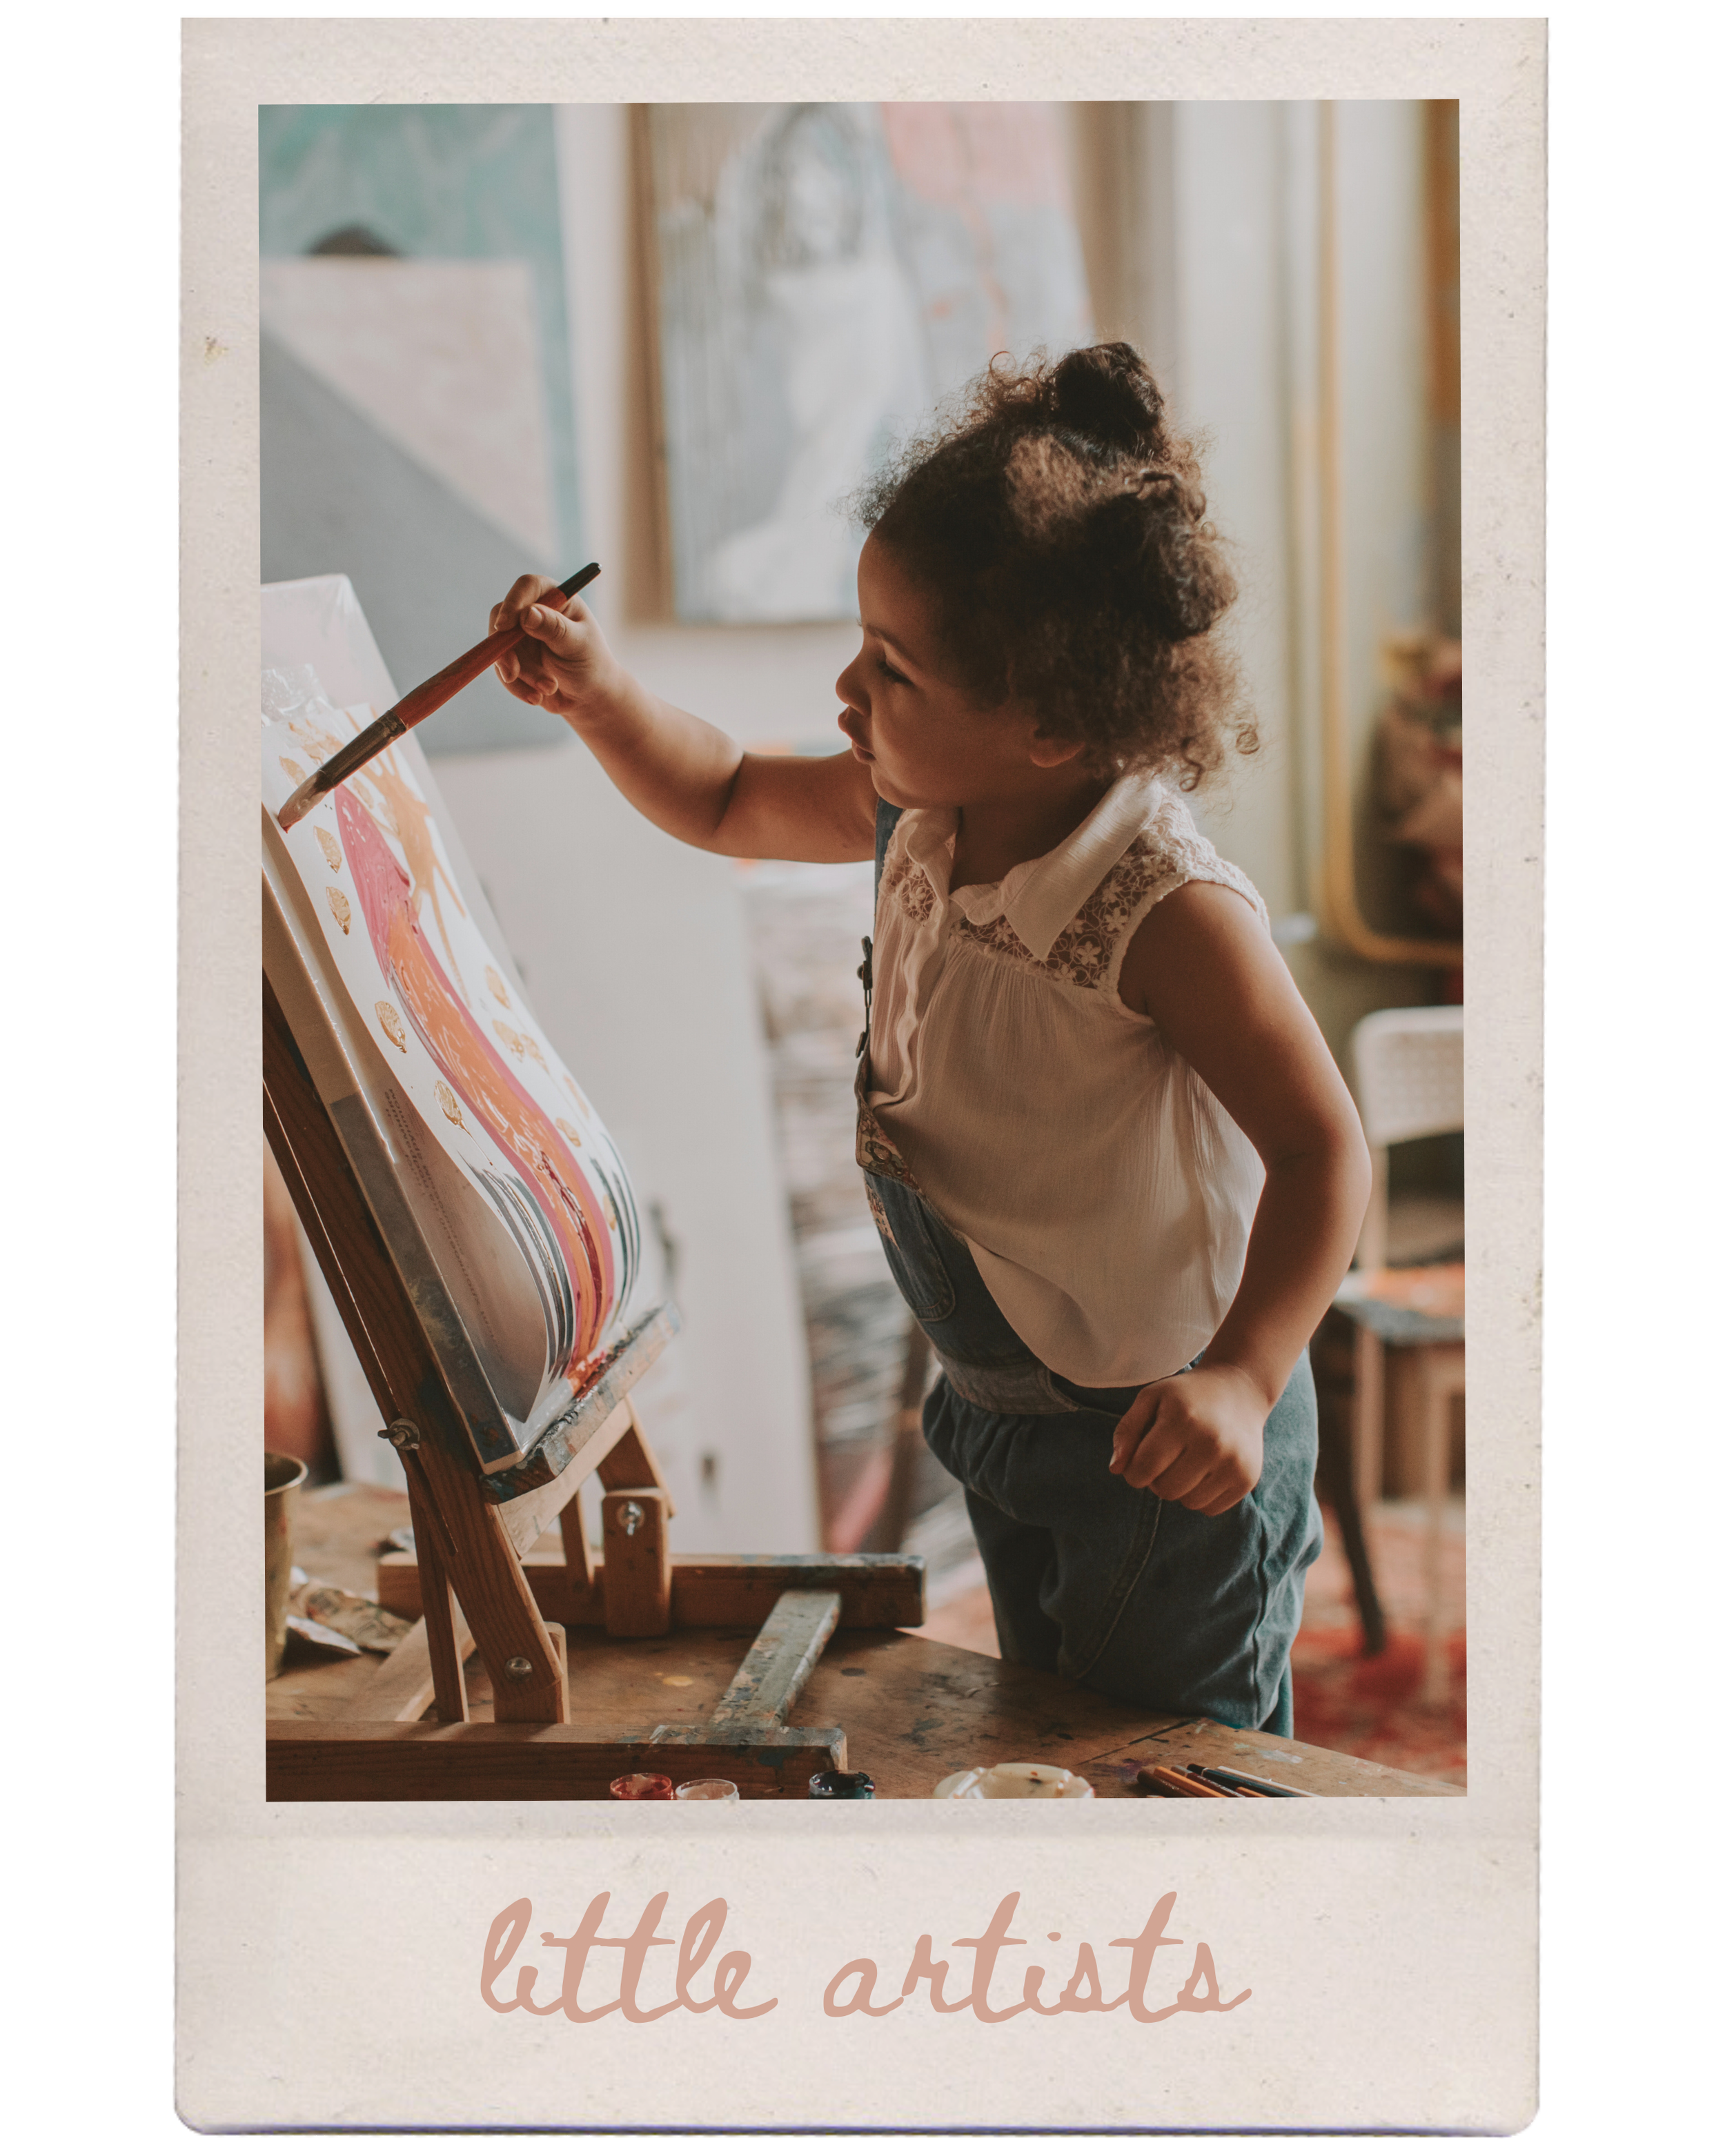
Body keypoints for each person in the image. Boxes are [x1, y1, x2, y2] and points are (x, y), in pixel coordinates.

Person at [486, 343, 1372, 1737]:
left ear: (1045, 722)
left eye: (890, 669)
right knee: (1045, 1739)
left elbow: (1322, 1145)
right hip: (1000, 1403)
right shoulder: (913, 808)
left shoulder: (1157, 906)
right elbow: (720, 795)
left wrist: (1246, 1376)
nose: (849, 691)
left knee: (1164, 1774)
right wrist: (600, 695)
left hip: (1167, 1440)